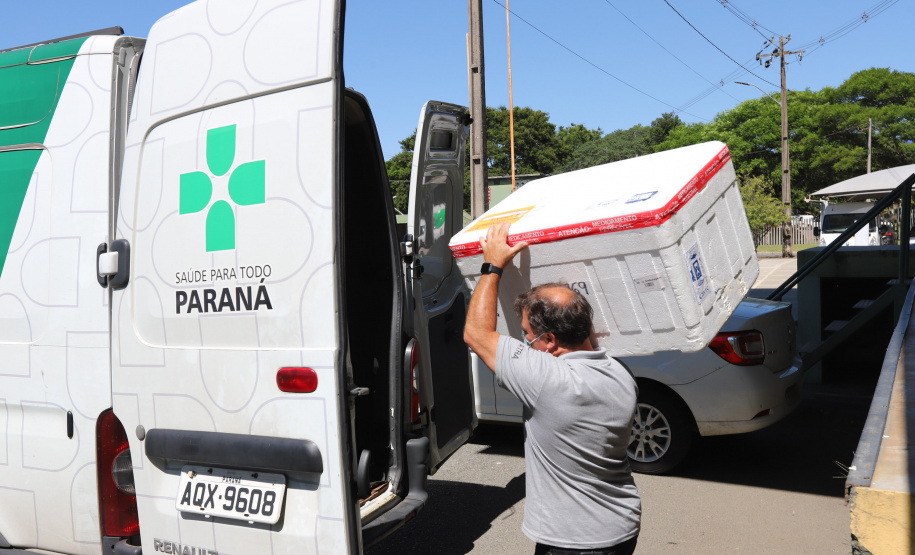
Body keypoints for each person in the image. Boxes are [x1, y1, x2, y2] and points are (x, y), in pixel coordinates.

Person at [463, 222, 641, 555]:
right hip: (622, 525)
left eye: (527, 335)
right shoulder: (620, 373)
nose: (524, 340)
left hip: (574, 543)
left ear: (550, 340)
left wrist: (492, 265)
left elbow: (476, 333)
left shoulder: (547, 379)